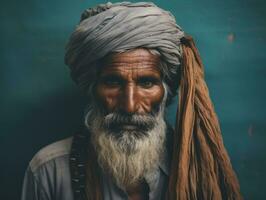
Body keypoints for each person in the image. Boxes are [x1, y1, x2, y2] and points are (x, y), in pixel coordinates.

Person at [21, 2, 242, 200]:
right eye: (112, 82)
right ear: (92, 88)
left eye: (146, 83)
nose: (129, 106)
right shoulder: (48, 171)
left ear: (165, 91)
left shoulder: (200, 167)